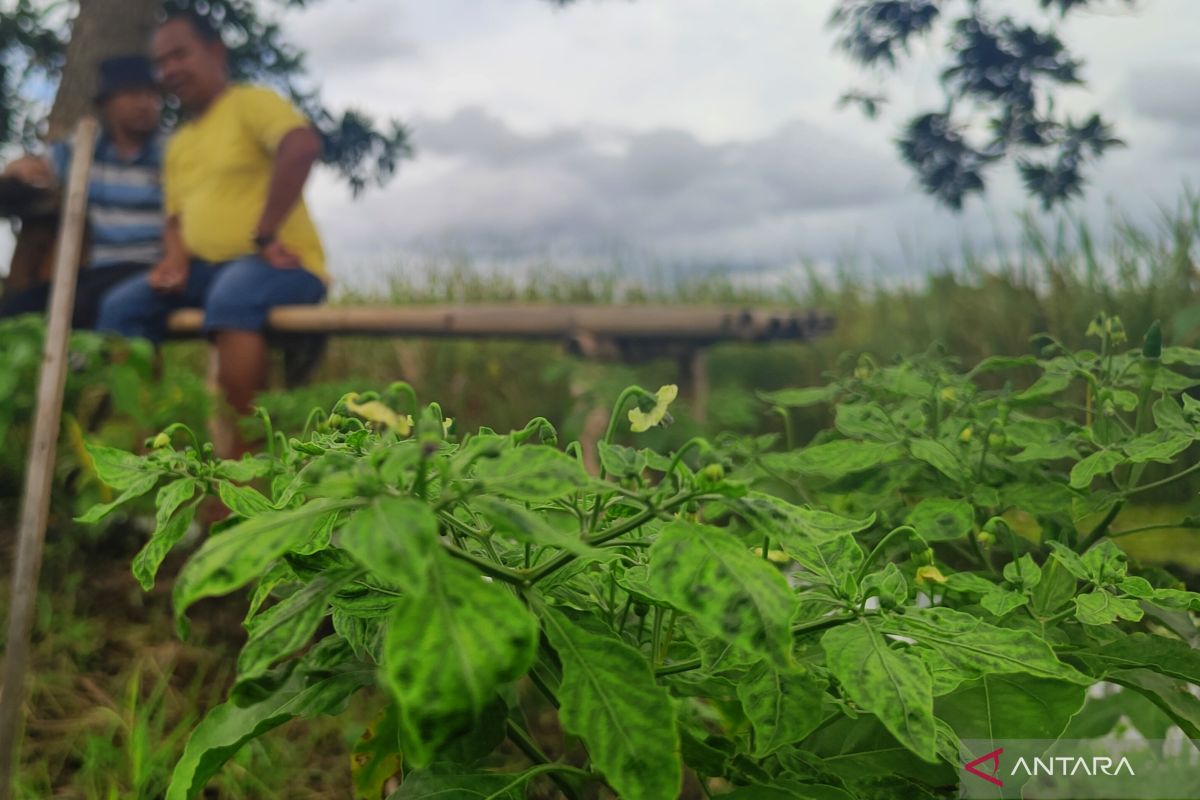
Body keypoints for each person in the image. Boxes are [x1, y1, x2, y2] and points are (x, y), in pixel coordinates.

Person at [97, 11, 327, 453]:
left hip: (281, 264)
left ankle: (243, 464)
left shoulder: (250, 103)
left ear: (215, 51)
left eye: (180, 54)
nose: (170, 71)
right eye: (161, 63)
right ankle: (146, 454)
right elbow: (174, 219)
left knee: (233, 295)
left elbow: (300, 146)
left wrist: (264, 233)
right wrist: (174, 261)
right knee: (121, 306)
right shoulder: (180, 141)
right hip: (206, 272)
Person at [0, 56, 164, 329]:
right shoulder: (84, 149)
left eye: (151, 95)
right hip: (100, 269)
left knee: (90, 307)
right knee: (15, 313)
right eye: (133, 94)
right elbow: (33, 166)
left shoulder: (172, 151)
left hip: (153, 268)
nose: (144, 103)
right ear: (106, 104)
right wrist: (20, 169)